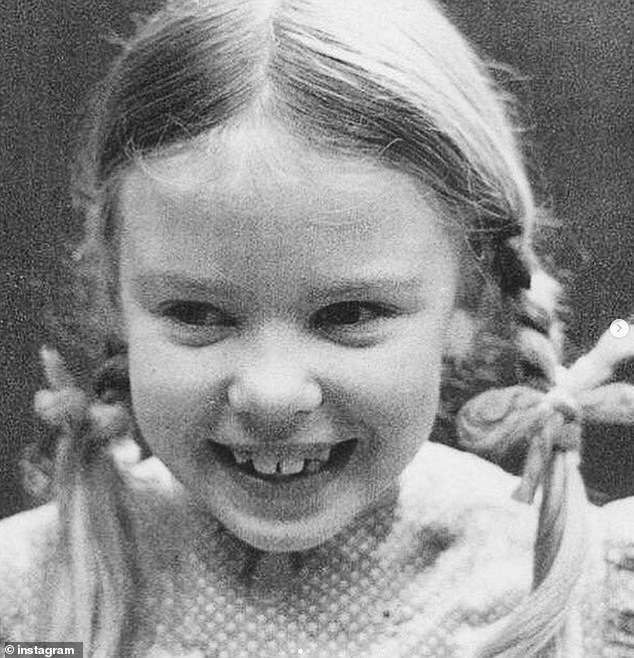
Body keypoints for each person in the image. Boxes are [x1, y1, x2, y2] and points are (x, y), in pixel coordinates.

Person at [1, 0, 633, 656]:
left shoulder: (571, 596)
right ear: (117, 294)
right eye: (197, 314)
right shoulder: (29, 601)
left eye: (349, 316)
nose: (272, 395)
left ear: (470, 299)